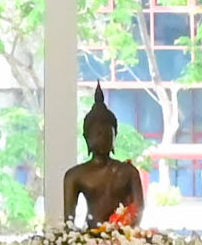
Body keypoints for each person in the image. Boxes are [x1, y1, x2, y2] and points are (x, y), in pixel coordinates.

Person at [62, 86, 145, 227]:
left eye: (107, 135)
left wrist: (124, 233)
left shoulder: (128, 172)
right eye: (97, 134)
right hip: (89, 237)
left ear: (115, 137)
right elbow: (69, 219)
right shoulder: (75, 175)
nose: (102, 139)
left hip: (123, 239)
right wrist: (73, 240)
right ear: (86, 138)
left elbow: (138, 209)